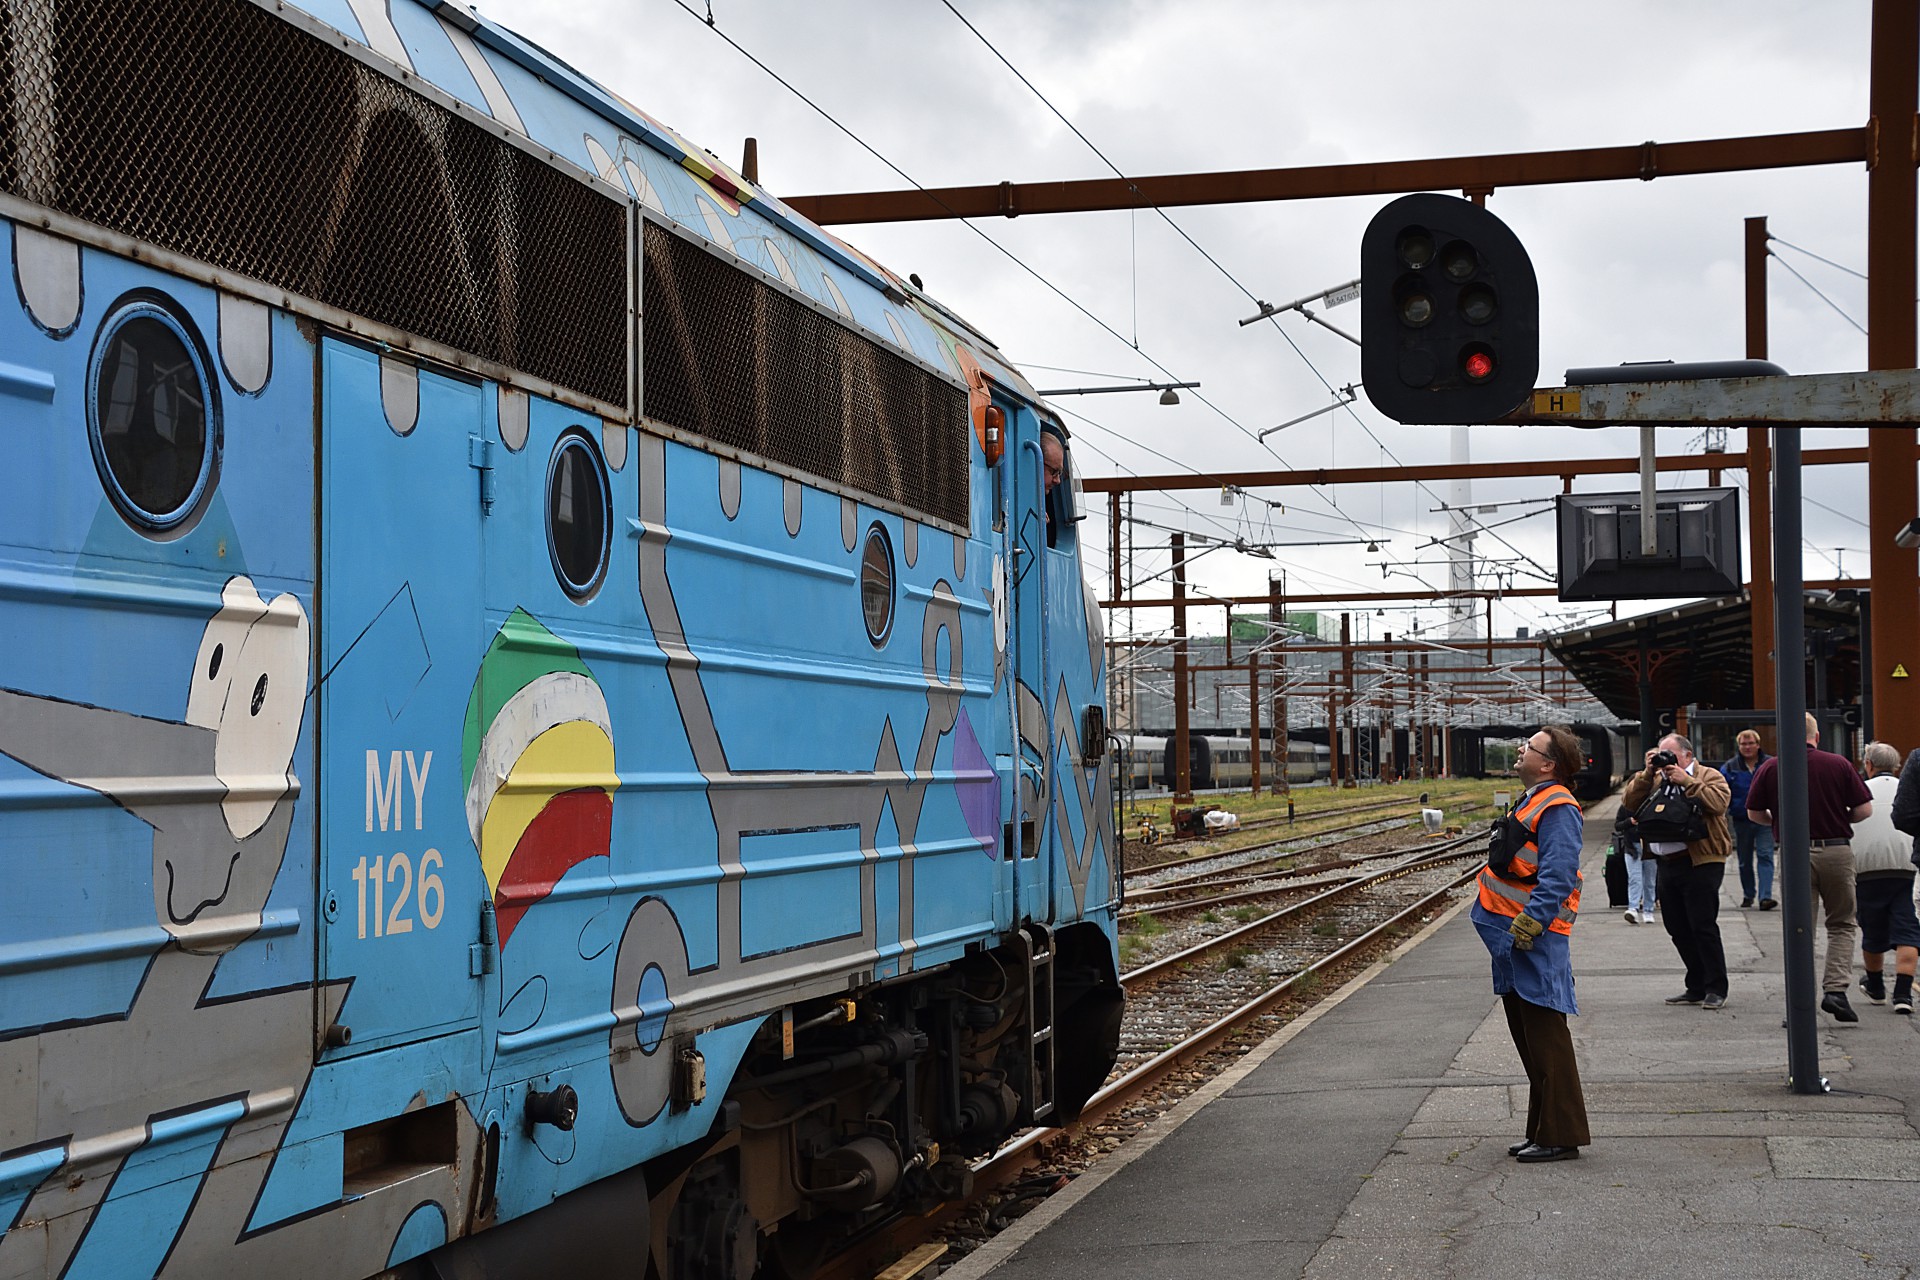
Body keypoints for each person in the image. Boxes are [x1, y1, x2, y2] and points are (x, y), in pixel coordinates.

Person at [1471, 725, 1590, 1163]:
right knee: (1530, 1038)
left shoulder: (1558, 806)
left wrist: (1532, 922)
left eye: (1530, 746)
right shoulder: (1534, 798)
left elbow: (1558, 875)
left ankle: (1562, 1134)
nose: (1521, 749)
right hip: (1512, 937)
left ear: (1548, 764)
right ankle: (1543, 1129)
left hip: (1532, 936)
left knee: (1546, 1037)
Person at [1745, 713, 1874, 1022]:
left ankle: (1800, 1002)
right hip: (1835, 850)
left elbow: (1753, 813)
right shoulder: (1838, 764)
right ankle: (1836, 991)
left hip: (1794, 853)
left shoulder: (1771, 767)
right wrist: (1839, 818)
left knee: (1799, 927)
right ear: (1816, 736)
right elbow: (1864, 809)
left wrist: (1778, 821)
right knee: (1842, 923)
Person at [1622, 733, 1733, 1009]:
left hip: (1701, 860)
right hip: (1666, 862)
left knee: (1702, 925)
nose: (1665, 761)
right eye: (1661, 755)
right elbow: (1629, 802)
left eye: (1670, 755)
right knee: (1676, 927)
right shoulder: (1656, 779)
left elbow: (1719, 804)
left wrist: (1688, 781)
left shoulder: (1708, 776)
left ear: (1687, 755)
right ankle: (1696, 985)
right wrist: (1647, 773)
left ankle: (1716, 987)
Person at [1851, 742, 1917, 1015]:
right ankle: (1903, 993)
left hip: (1868, 872)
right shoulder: (1908, 790)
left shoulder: (1860, 791)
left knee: (1872, 931)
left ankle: (1876, 986)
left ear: (1868, 765)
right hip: (1908, 870)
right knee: (1908, 931)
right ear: (1898, 766)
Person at [1722, 729, 1776, 910]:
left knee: (1765, 855)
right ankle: (1748, 894)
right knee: (1744, 859)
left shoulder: (1769, 764)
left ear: (1758, 745)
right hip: (1742, 819)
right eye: (1743, 744)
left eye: (1750, 743)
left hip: (1766, 818)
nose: (1747, 747)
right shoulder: (1730, 767)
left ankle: (1765, 896)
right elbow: (1723, 792)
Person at [1614, 805, 1658, 926]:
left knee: (1650, 881)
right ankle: (1633, 908)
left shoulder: (1651, 805)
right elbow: (1617, 825)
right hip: (1632, 848)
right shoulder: (1625, 807)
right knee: (1635, 878)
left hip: (1649, 848)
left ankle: (1648, 910)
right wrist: (1629, 822)